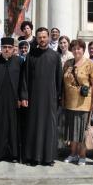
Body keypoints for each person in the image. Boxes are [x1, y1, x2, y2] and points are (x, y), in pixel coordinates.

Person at [20, 27, 62, 166]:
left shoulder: (55, 56)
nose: (42, 40)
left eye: (44, 37)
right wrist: (24, 96)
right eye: (39, 37)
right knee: (34, 126)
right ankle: (33, 157)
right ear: (36, 39)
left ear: (48, 38)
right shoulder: (31, 56)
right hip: (34, 98)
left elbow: (59, 79)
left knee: (49, 128)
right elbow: (24, 78)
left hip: (50, 98)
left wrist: (58, 97)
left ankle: (48, 158)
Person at [62, 39, 93, 165]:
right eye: (74, 48)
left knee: (83, 131)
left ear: (83, 50)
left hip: (84, 103)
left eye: (79, 48)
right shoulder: (68, 63)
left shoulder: (90, 64)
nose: (76, 50)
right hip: (69, 103)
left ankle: (82, 155)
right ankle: (73, 154)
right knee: (72, 130)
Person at [0, 37, 22, 162]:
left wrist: (21, 98)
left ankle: (13, 155)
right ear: (0, 48)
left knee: (13, 128)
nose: (6, 50)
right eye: (4, 47)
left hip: (14, 101)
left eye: (9, 48)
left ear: (13, 49)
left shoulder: (19, 61)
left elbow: (23, 82)